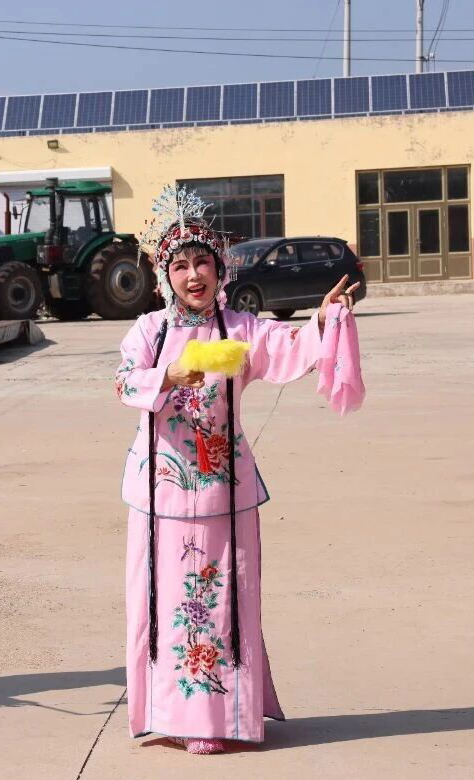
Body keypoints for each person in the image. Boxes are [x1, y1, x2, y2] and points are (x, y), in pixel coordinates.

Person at [115, 186, 364, 755]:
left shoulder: (241, 328)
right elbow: (124, 383)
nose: (193, 275)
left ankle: (221, 717)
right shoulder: (149, 331)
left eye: (202, 262)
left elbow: (290, 347)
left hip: (224, 491)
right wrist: (168, 376)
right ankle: (170, 714)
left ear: (219, 268)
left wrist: (322, 319)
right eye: (180, 265)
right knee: (166, 602)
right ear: (165, 275)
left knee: (224, 599)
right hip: (161, 491)